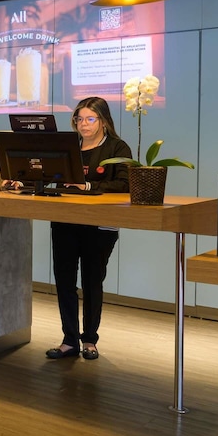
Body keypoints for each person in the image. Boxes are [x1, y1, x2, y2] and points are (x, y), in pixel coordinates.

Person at [46, 97, 131, 361]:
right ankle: (69, 340)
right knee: (64, 282)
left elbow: (125, 184)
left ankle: (90, 340)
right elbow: (51, 175)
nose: (83, 124)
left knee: (92, 283)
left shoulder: (117, 147)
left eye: (90, 119)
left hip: (99, 225)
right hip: (65, 221)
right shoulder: (69, 146)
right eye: (79, 119)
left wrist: (89, 187)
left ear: (103, 121)